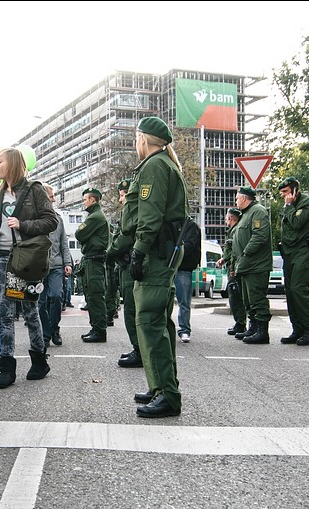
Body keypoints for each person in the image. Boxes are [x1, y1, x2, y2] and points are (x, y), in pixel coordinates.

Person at [125, 116, 189, 418]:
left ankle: (167, 393)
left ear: (143, 139)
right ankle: (160, 385)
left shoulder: (154, 166)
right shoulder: (164, 163)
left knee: (150, 321)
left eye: (136, 137)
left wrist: (138, 251)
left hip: (155, 253)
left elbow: (149, 218)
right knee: (158, 321)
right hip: (163, 251)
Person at [0, 147, 57, 389]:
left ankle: (39, 359)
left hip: (26, 259)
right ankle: (7, 366)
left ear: (11, 163)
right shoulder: (0, 194)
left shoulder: (34, 190)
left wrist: (23, 224)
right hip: (3, 258)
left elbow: (51, 220)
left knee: (30, 310)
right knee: (4, 312)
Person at [277, 177, 309, 345]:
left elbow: (296, 223)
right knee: (289, 291)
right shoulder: (290, 206)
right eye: (282, 193)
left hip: (302, 250)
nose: (284, 196)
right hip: (288, 252)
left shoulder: (307, 203)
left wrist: (288, 207)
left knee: (298, 289)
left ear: (295, 190)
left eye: (286, 192)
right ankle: (298, 329)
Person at [108, 178, 143, 368]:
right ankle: (138, 348)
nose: (121, 199)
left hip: (130, 264)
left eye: (123, 195)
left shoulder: (133, 211)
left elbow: (125, 237)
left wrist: (111, 250)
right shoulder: (130, 211)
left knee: (131, 310)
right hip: (126, 265)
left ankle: (139, 350)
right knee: (131, 309)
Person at [232, 186, 272, 344]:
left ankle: (262, 332)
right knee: (248, 300)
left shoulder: (258, 211)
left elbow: (260, 236)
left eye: (237, 198)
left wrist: (245, 253)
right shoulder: (246, 214)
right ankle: (253, 328)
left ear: (243, 198)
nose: (235, 201)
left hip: (256, 265)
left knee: (257, 298)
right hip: (247, 265)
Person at [38, 183, 72, 348]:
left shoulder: (58, 218)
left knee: (57, 296)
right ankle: (45, 334)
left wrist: (68, 262)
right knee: (41, 302)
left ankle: (54, 329)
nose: (53, 199)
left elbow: (64, 242)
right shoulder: (34, 217)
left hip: (56, 266)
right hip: (38, 266)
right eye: (51, 196)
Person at [75, 187, 109, 343]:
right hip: (91, 259)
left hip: (94, 260)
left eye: (85, 199)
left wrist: (85, 238)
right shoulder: (94, 216)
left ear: (92, 200)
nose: (84, 202)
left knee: (95, 296)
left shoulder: (95, 217)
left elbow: (79, 234)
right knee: (92, 296)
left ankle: (99, 331)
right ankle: (96, 328)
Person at [217, 208, 247, 339]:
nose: (225, 220)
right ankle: (239, 323)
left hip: (234, 267)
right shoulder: (232, 231)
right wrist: (224, 259)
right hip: (231, 266)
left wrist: (233, 268)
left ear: (230, 218)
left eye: (226, 218)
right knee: (234, 296)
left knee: (236, 296)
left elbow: (235, 251)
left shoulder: (236, 231)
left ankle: (241, 323)